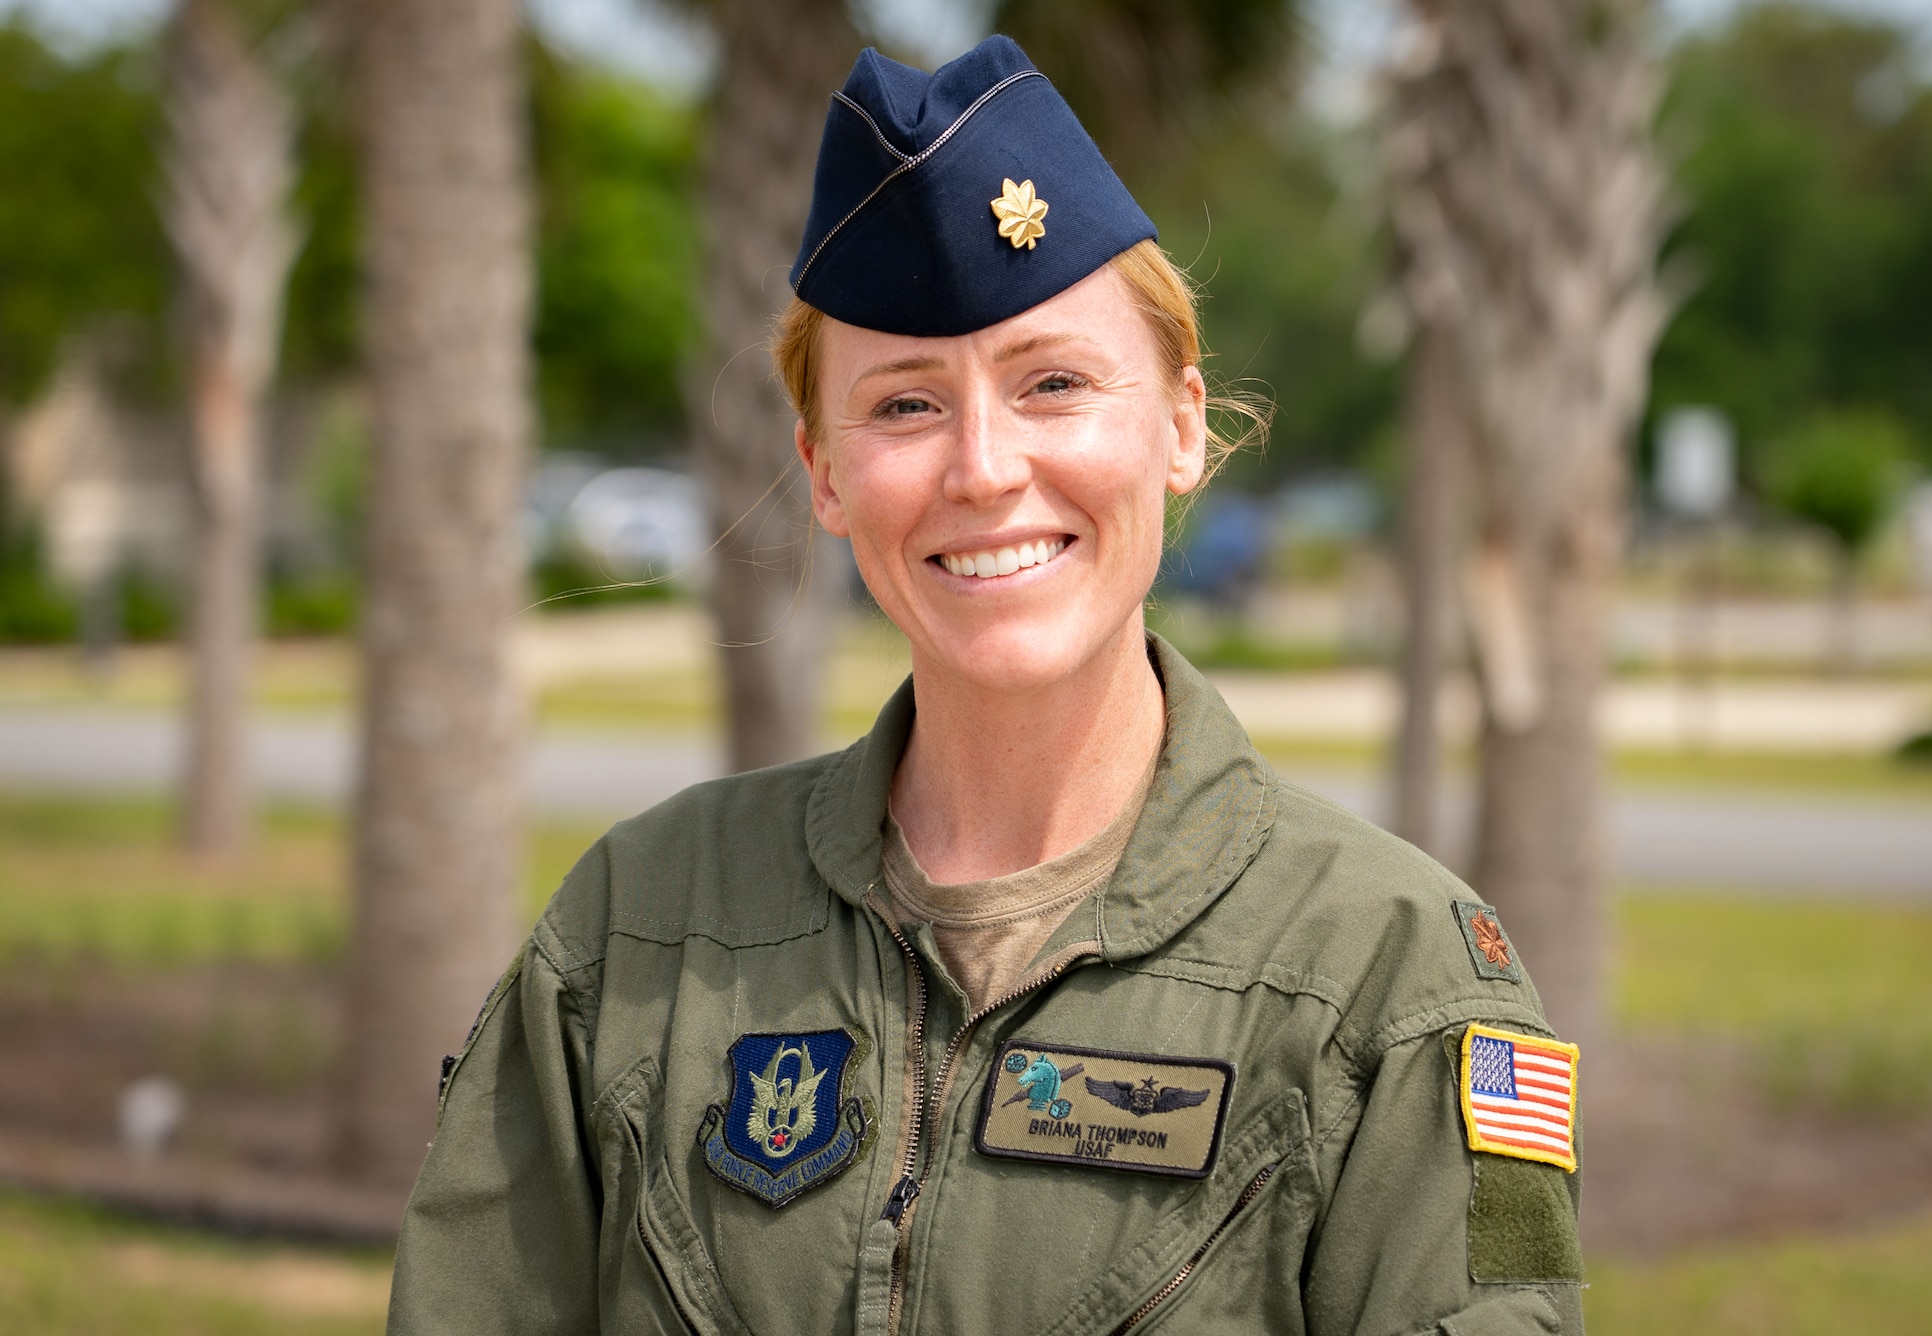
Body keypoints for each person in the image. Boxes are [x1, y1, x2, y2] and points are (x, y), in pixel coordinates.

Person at [388, 35, 1585, 1336]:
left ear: (1181, 425)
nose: (982, 467)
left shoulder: (1389, 978)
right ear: (826, 472)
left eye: (1054, 384)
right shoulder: (639, 931)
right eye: (905, 406)